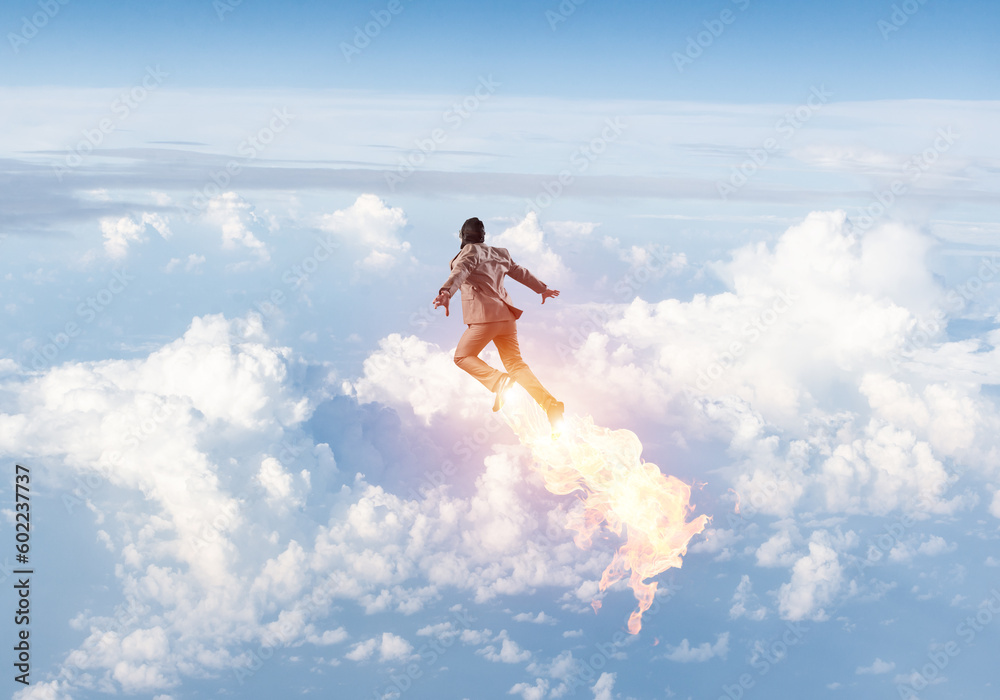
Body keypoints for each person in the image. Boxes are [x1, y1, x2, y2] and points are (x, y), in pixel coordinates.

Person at [433, 217, 565, 429]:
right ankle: (551, 406)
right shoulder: (501, 253)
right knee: (516, 364)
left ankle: (499, 382)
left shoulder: (470, 252)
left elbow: (461, 271)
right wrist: (542, 289)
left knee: (462, 356)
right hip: (506, 317)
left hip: (485, 318)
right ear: (483, 236)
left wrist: (446, 291)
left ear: (462, 236)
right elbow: (520, 272)